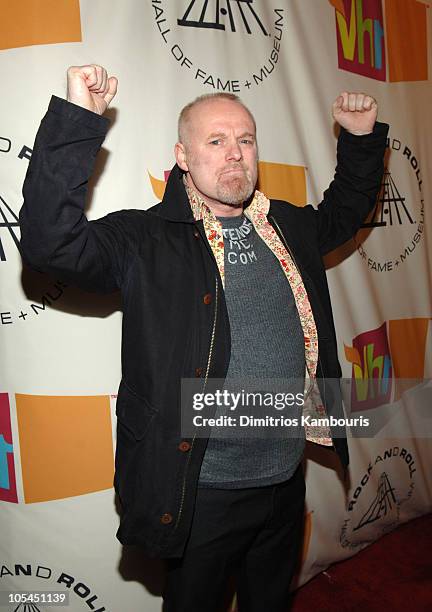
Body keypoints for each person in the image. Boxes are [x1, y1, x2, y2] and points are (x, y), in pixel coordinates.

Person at [19, 64, 388, 611]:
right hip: (201, 492)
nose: (235, 152)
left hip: (285, 478)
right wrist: (78, 121)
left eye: (245, 139)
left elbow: (346, 210)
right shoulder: (146, 238)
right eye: (215, 141)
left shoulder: (289, 226)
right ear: (183, 157)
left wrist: (359, 141)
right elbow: (52, 244)